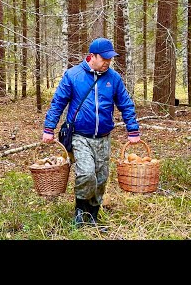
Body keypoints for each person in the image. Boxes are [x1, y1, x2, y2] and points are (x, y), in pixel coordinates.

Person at [42, 37, 141, 229]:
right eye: (103, 58)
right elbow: (58, 103)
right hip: (79, 136)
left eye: (110, 59)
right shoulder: (73, 75)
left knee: (101, 178)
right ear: (92, 56)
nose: (107, 62)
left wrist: (133, 129)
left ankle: (93, 215)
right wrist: (49, 129)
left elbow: (126, 104)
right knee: (87, 174)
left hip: (103, 137)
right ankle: (80, 211)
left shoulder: (114, 78)